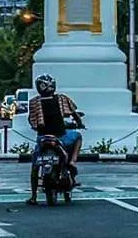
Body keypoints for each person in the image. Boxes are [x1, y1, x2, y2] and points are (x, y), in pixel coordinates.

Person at [26, 74, 83, 205]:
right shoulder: (61, 99)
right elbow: (74, 113)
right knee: (78, 137)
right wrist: (79, 123)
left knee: (35, 166)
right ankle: (73, 161)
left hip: (43, 138)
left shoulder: (34, 102)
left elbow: (32, 121)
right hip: (60, 136)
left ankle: (34, 196)